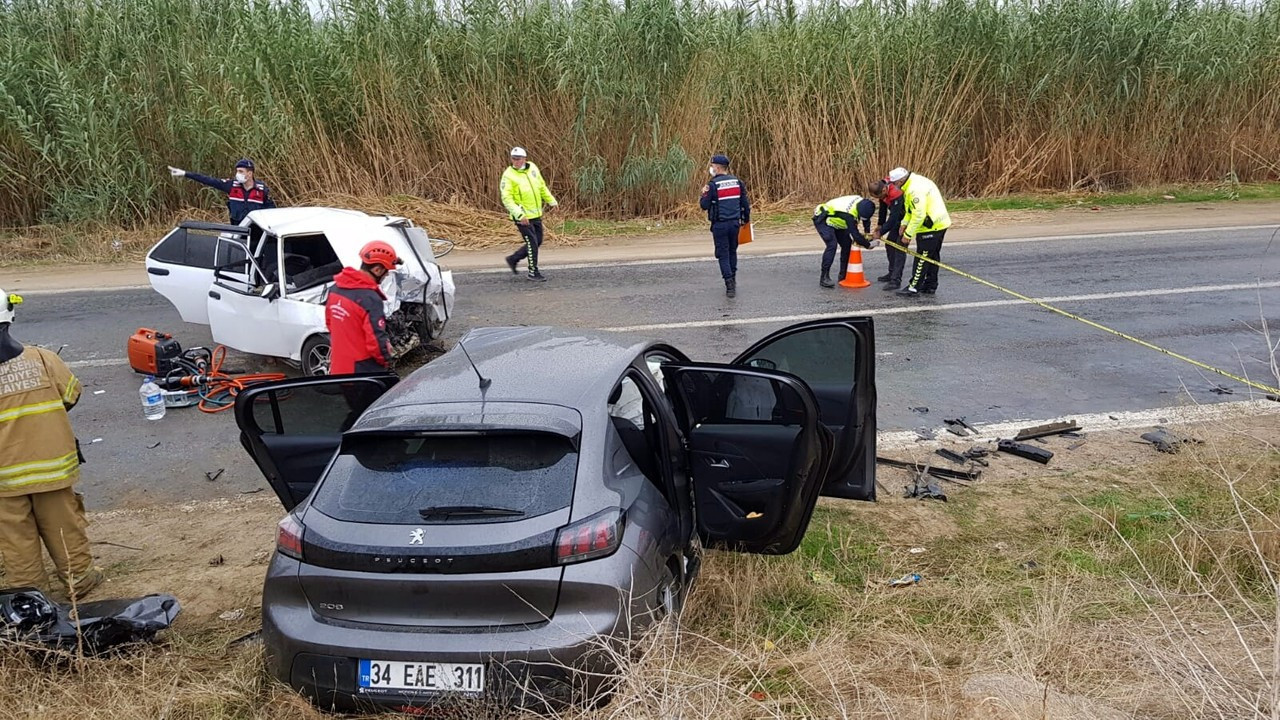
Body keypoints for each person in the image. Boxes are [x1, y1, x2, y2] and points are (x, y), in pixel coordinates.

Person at [0, 289, 103, 597]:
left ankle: (30, 594)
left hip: (4, 479)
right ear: (9, 317)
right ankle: (80, 581)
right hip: (52, 469)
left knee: (16, 537)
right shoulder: (43, 359)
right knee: (63, 525)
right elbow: (71, 394)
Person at [326, 241, 400, 375]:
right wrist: (386, 360)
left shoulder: (335, 289)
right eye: (386, 272)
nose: (386, 275)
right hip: (363, 371)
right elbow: (376, 342)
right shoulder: (369, 298)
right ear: (377, 270)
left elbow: (330, 323)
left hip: (339, 367)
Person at [888, 167, 951, 296]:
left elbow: (919, 214)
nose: (893, 187)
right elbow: (910, 209)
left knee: (922, 257)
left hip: (931, 226)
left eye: (894, 184)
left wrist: (908, 234)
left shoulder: (914, 190)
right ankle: (930, 284)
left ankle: (914, 286)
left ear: (900, 181)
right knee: (932, 256)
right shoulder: (914, 182)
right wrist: (904, 223)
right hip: (940, 223)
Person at [501, 147, 558, 282]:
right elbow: (506, 198)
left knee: (538, 241)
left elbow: (541, 186)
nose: (516, 161)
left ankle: (513, 259)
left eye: (519, 158)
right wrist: (520, 215)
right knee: (532, 242)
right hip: (522, 217)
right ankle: (533, 271)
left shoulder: (532, 168)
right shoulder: (508, 175)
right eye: (514, 159)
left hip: (535, 213)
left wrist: (552, 201)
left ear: (525, 158)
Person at [699, 154, 751, 298]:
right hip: (735, 224)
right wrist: (746, 220)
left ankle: (729, 284)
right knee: (732, 252)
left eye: (712, 166)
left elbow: (704, 205)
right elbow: (745, 205)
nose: (711, 168)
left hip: (720, 225)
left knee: (723, 254)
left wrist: (703, 194)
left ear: (717, 167)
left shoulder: (712, 185)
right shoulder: (737, 182)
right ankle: (733, 279)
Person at [168, 157, 275, 225]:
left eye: (241, 171)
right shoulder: (232, 186)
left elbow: (271, 210)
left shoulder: (262, 190)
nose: (237, 174)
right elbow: (208, 180)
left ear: (250, 174)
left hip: (256, 230)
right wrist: (185, 173)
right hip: (237, 228)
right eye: (237, 171)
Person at [813, 195, 877, 288]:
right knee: (832, 245)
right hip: (823, 219)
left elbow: (865, 220)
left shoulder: (863, 203)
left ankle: (843, 275)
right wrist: (868, 245)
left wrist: (867, 234)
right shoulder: (849, 214)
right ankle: (824, 277)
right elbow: (855, 235)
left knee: (847, 245)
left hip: (837, 220)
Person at [868, 177, 907, 290]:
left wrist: (880, 233)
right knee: (890, 244)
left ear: (884, 190)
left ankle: (896, 280)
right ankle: (892, 273)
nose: (879, 199)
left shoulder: (896, 194)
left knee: (899, 247)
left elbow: (893, 219)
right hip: (897, 218)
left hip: (906, 219)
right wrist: (880, 224)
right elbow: (883, 208)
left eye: (879, 196)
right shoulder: (882, 189)